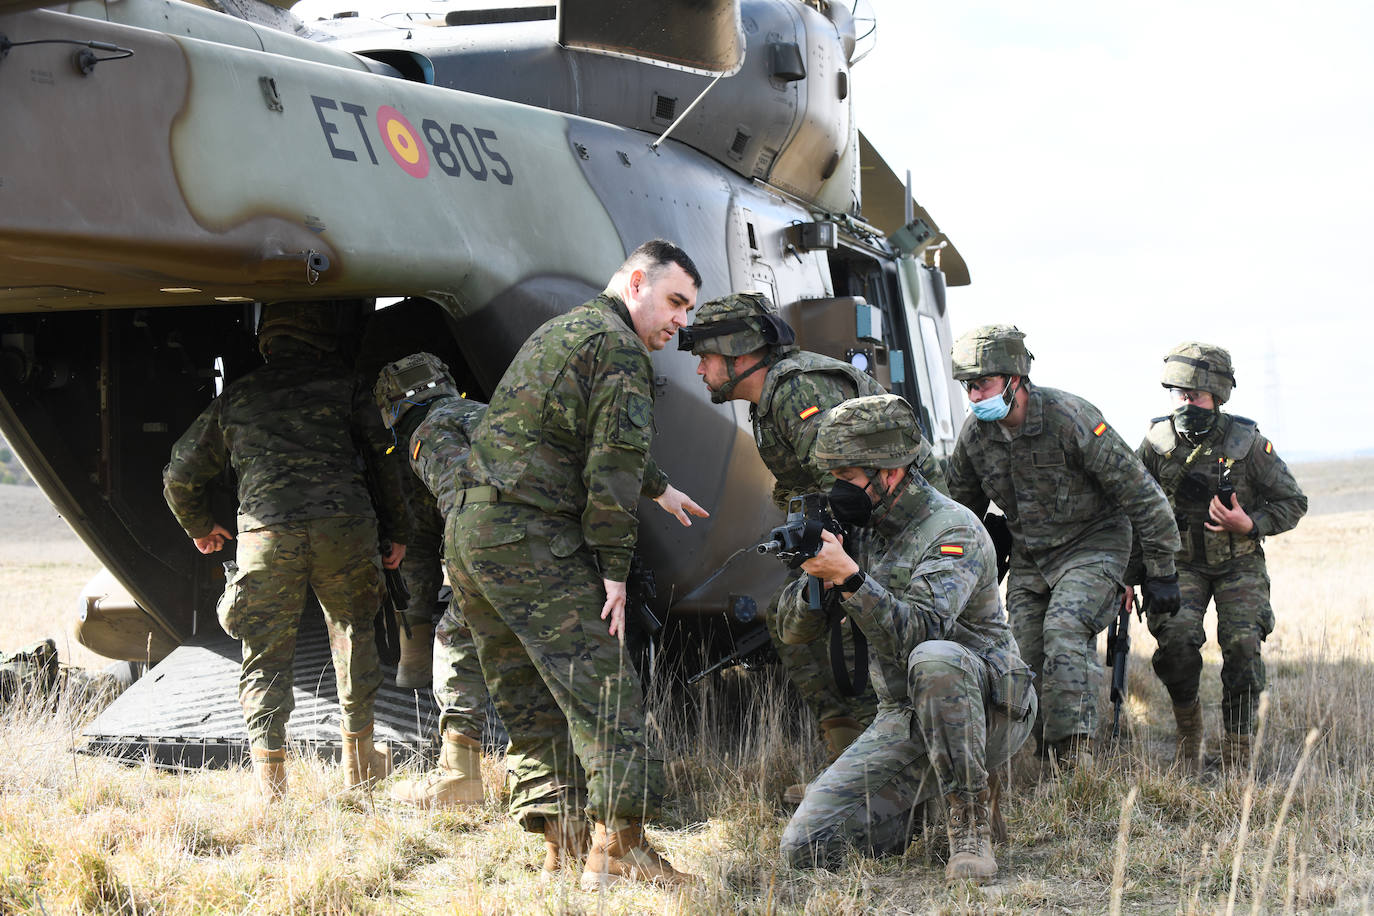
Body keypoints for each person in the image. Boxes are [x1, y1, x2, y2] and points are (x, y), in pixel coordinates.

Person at [451, 240, 709, 887]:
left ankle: (563, 845)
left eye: (689, 310)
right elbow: (610, 470)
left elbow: (579, 427)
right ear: (638, 282)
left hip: (473, 531)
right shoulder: (619, 347)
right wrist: (614, 570)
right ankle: (621, 852)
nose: (681, 322)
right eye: (676, 302)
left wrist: (661, 486)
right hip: (532, 533)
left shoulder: (567, 330)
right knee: (607, 691)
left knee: (528, 695)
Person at [678, 291, 948, 799]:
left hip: (899, 526)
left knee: (853, 636)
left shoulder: (796, 389)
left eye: (705, 358)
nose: (699, 371)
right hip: (859, 524)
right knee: (791, 626)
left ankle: (886, 782)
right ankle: (848, 764)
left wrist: (835, 565)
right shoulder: (772, 397)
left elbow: (855, 485)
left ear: (739, 356)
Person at [776, 394, 1035, 882]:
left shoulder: (951, 529)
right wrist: (817, 576)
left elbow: (921, 633)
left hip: (988, 706)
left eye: (848, 478)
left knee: (936, 658)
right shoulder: (859, 528)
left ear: (889, 472)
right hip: (905, 714)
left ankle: (970, 826)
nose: (838, 490)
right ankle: (917, 803)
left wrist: (852, 580)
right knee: (806, 847)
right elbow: (792, 632)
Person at [162, 302, 408, 799]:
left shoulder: (238, 398)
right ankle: (359, 768)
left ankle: (271, 786)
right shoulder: (348, 387)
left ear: (268, 339)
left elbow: (180, 474)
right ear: (322, 334)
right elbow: (386, 463)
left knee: (264, 652)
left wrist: (201, 526)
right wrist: (398, 530)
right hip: (345, 530)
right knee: (354, 634)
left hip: (267, 536)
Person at [945, 325, 1181, 768]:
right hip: (1032, 559)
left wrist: (1161, 569)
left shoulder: (1070, 418)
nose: (975, 397)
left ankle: (1075, 761)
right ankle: (1039, 754)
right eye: (969, 387)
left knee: (1064, 632)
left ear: (1015, 378)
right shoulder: (975, 438)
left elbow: (1141, 493)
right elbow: (957, 513)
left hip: (1094, 545)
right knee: (1022, 654)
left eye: (984, 385)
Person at [1136, 342, 1307, 771]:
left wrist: (1248, 524)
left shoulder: (1247, 444)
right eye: (1178, 394)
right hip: (1182, 563)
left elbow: (1292, 502)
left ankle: (1237, 750)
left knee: (1243, 644)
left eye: (1194, 395)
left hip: (1238, 561)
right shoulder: (1157, 444)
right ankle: (1188, 727)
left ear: (1217, 395)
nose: (1185, 403)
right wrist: (1130, 574)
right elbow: (1132, 509)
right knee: (1175, 641)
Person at [372, 352, 492, 807]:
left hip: (460, 523)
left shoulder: (415, 438)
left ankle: (412, 665)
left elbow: (467, 502)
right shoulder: (486, 413)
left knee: (452, 626)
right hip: (520, 532)